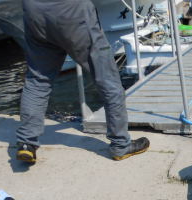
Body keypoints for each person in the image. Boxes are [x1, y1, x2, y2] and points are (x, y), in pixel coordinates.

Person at [15, 0, 149, 164]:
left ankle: (27, 143)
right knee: (107, 79)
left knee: (38, 79)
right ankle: (121, 145)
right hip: (71, 12)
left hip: (34, 11)